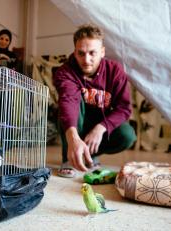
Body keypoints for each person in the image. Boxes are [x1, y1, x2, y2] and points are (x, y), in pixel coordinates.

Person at [53, 24, 136, 178]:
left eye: (92, 53)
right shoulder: (65, 72)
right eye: (81, 53)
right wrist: (73, 138)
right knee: (70, 105)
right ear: (75, 52)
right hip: (76, 123)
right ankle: (69, 157)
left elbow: (124, 108)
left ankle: (90, 154)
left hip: (100, 124)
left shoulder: (115, 72)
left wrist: (101, 128)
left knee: (127, 135)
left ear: (102, 52)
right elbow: (68, 102)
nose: (86, 60)